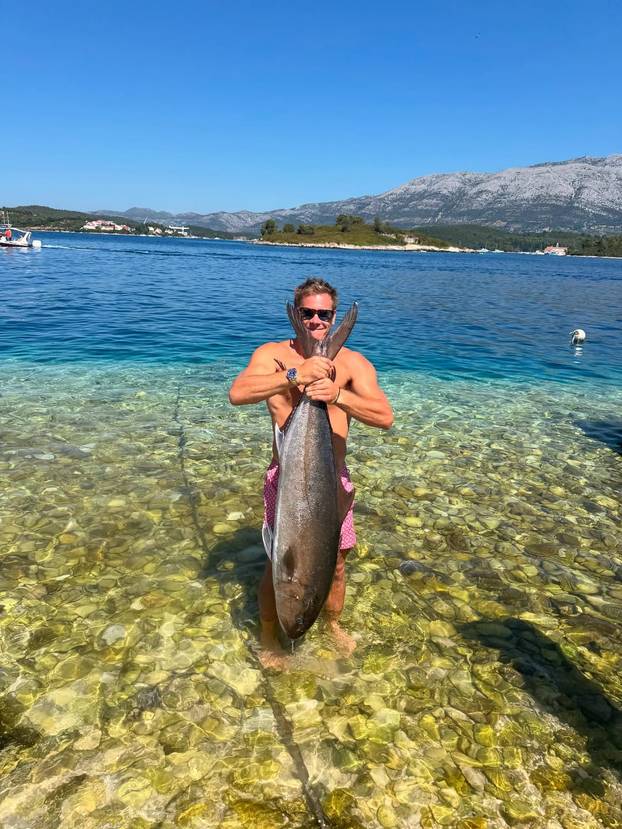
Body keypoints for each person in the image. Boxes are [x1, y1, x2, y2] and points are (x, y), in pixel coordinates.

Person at [228, 278, 393, 666]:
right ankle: (269, 636)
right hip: (285, 477)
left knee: (335, 564)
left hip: (333, 481)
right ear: (296, 314)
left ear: (335, 317)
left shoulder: (353, 363)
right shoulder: (272, 355)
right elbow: (238, 394)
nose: (317, 321)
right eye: (308, 313)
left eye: (325, 314)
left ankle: (332, 625)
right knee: (277, 561)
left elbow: (384, 417)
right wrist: (294, 376)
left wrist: (337, 395)